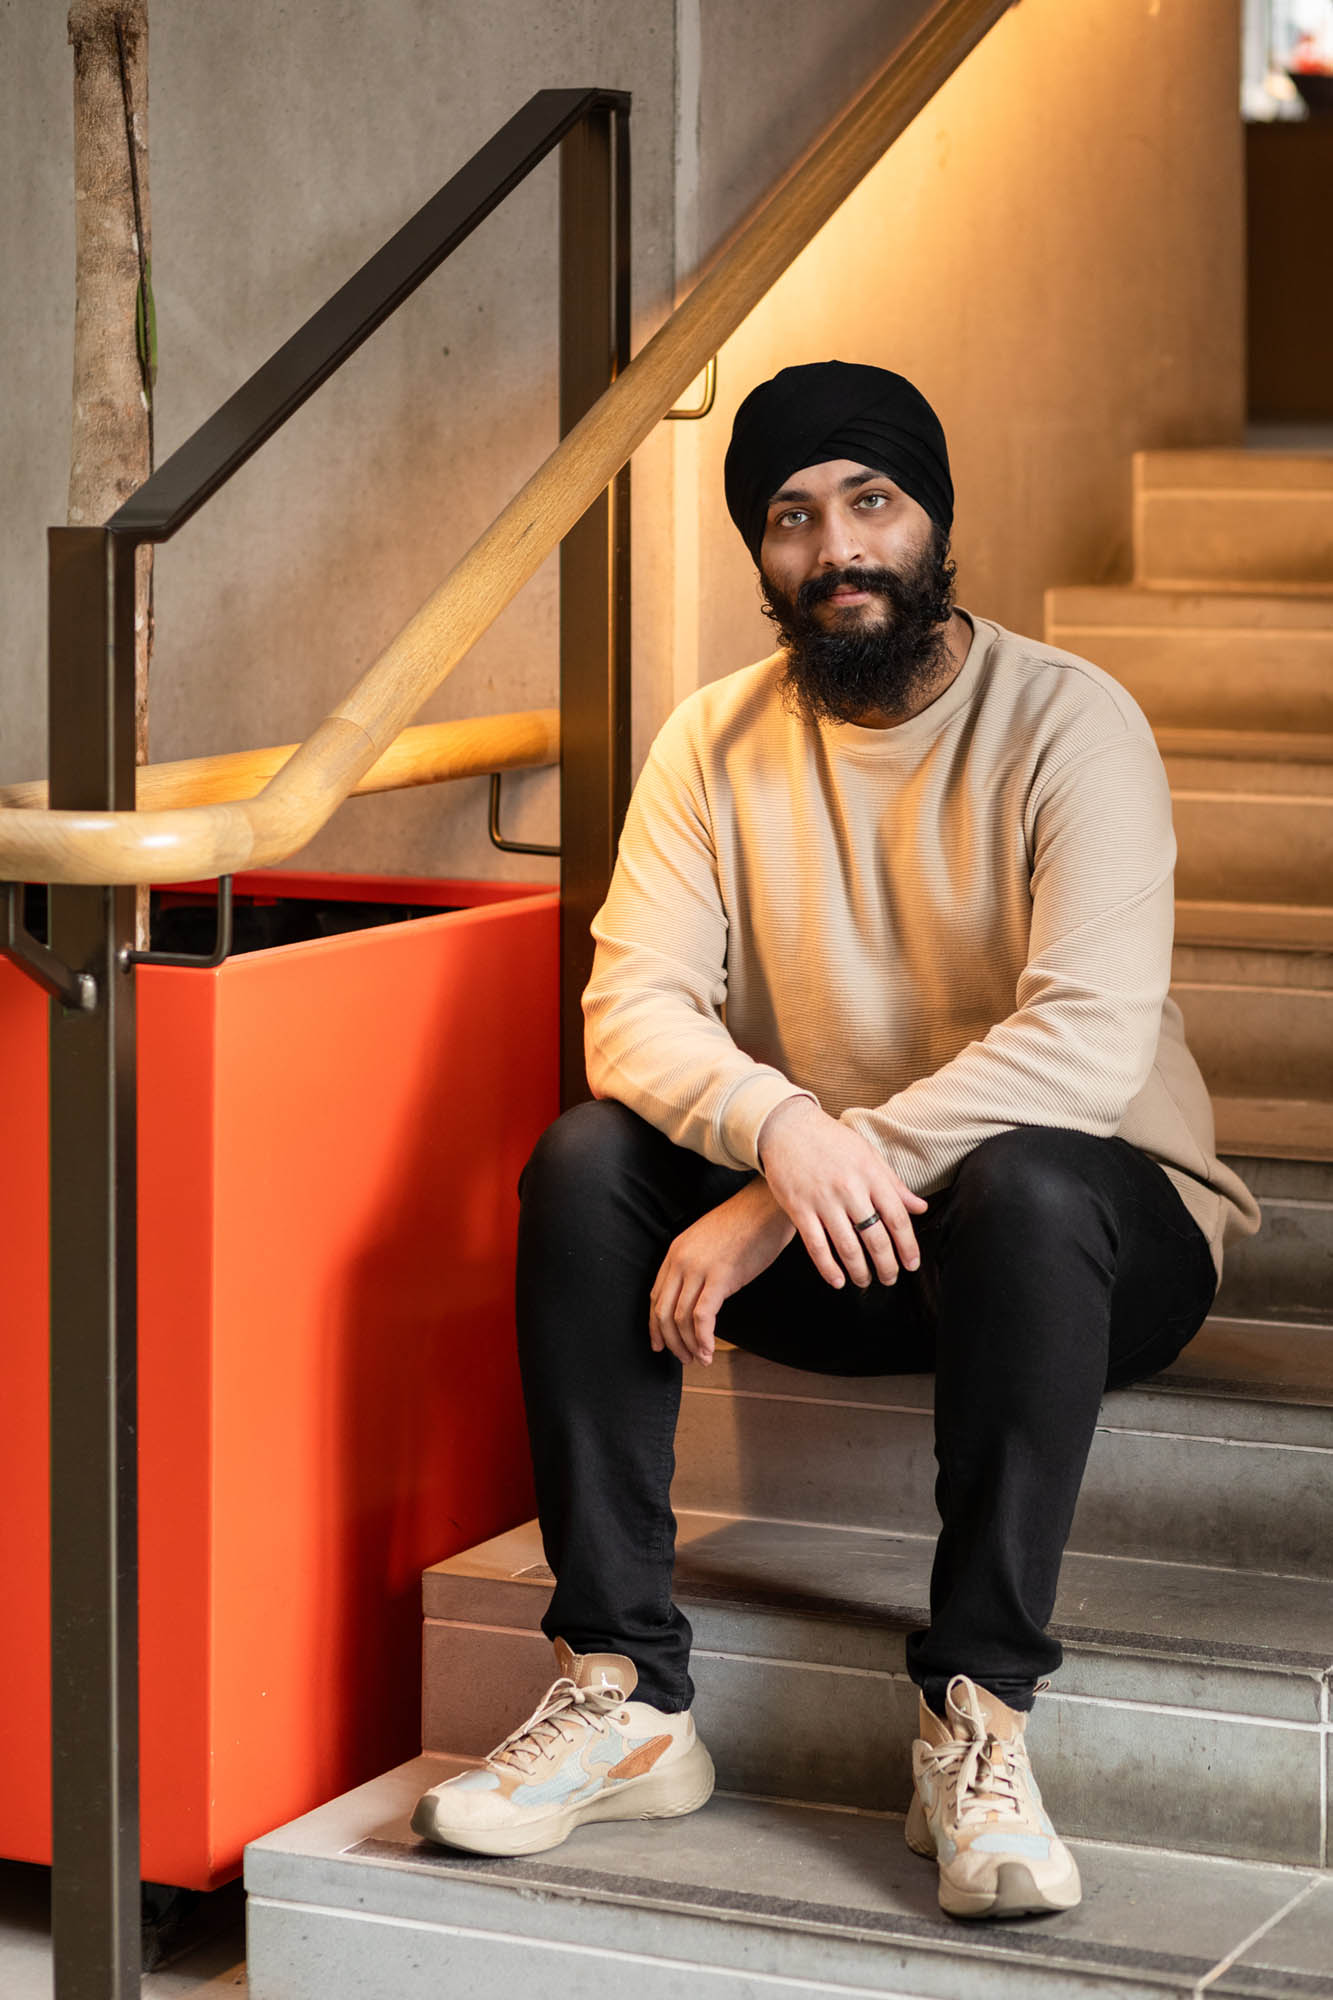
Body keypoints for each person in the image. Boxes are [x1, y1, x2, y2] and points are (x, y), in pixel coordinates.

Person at [412, 360, 1260, 1919]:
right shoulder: (709, 745)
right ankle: (625, 1690)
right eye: (793, 518)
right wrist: (780, 1134)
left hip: (1085, 1237)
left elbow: (1078, 1041)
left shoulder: (1072, 721)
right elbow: (635, 1009)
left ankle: (975, 1711)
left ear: (933, 517)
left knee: (1022, 1179)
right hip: (842, 1231)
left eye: (870, 501)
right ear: (761, 555)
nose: (836, 547)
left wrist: (766, 1195)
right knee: (589, 1161)